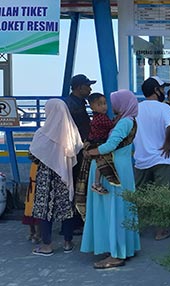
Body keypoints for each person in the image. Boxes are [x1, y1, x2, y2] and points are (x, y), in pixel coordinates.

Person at [80, 89, 140, 269]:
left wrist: (91, 152)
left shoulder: (123, 123)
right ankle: (124, 247)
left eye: (115, 102)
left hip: (113, 169)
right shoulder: (127, 120)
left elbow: (110, 145)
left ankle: (116, 253)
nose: (111, 106)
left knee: (114, 208)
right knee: (122, 208)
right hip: (121, 167)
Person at [30, 99, 83, 256]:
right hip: (64, 174)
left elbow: (32, 155)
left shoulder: (42, 134)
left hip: (46, 176)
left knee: (45, 208)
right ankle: (68, 242)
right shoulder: (72, 131)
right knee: (66, 207)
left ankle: (47, 245)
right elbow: (77, 148)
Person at [133, 76, 170, 240]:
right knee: (163, 196)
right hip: (163, 158)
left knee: (140, 196)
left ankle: (136, 228)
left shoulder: (136, 108)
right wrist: (167, 142)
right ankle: (161, 231)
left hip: (141, 159)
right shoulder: (163, 108)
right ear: (155, 90)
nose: (164, 92)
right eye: (162, 88)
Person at [64, 73, 96, 232]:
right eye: (87, 85)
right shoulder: (73, 106)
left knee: (79, 183)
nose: (90, 88)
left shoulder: (77, 103)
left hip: (80, 149)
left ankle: (77, 219)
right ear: (79, 87)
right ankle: (76, 220)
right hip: (78, 150)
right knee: (79, 184)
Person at [87, 92, 115, 194]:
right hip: (99, 143)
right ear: (92, 107)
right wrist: (120, 117)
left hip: (95, 142)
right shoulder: (101, 118)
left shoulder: (97, 116)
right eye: (99, 104)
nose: (104, 106)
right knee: (101, 163)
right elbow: (112, 125)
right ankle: (96, 184)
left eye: (104, 103)